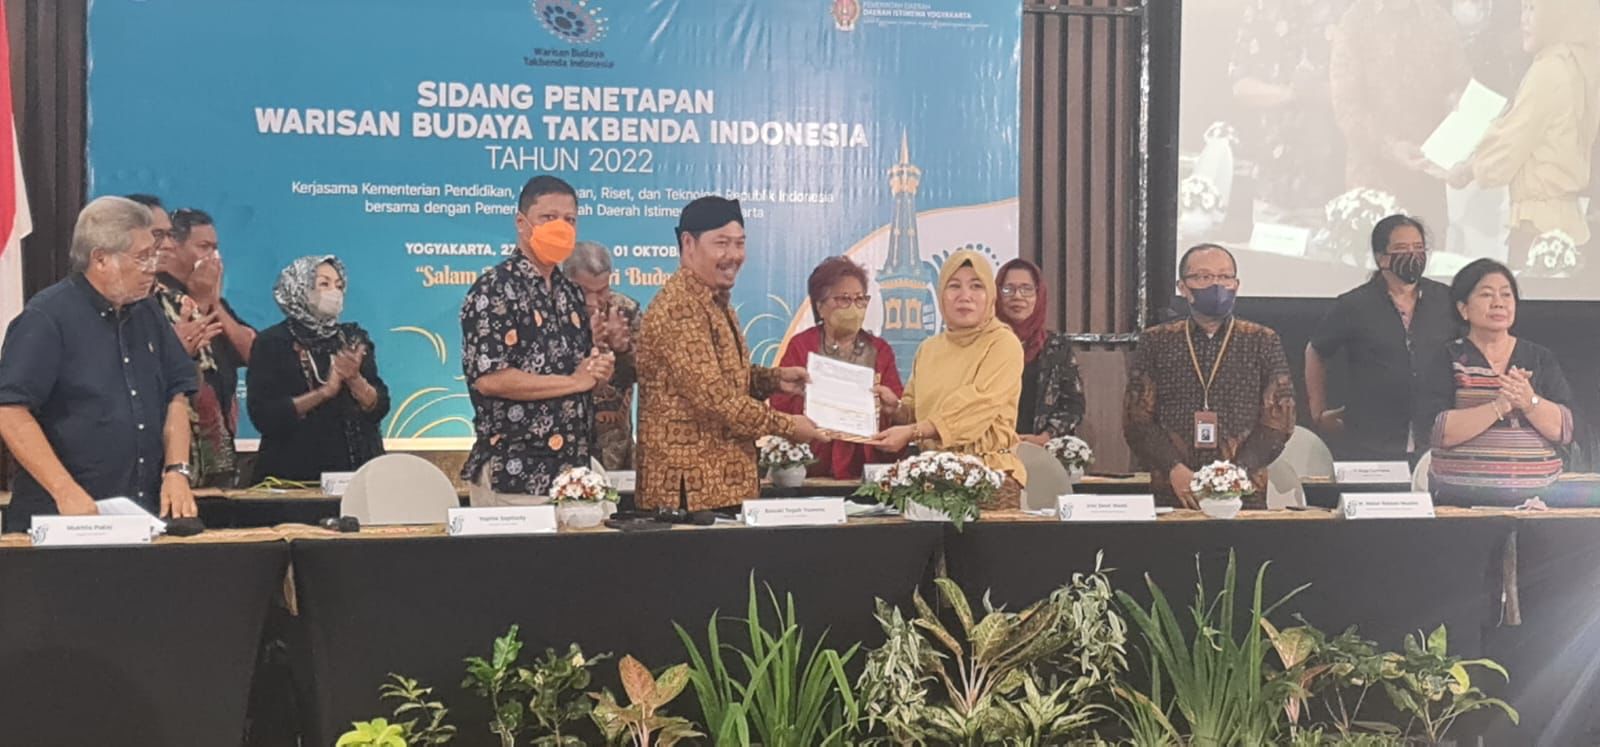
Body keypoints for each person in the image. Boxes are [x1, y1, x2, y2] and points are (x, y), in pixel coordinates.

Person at [0, 196, 198, 531]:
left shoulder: (148, 312)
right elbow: (10, 409)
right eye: (142, 257)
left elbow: (176, 393)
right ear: (101, 259)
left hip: (143, 514)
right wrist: (64, 489)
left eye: (153, 255)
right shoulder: (48, 317)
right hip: (64, 517)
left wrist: (176, 470)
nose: (152, 267)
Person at [635, 196, 823, 511]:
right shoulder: (679, 308)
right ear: (688, 243)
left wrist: (773, 380)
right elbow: (715, 397)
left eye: (740, 243)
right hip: (689, 493)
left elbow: (722, 376)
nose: (734, 255)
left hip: (722, 487)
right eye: (722, 243)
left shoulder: (714, 300)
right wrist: (789, 426)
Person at [460, 176, 613, 506]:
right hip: (515, 474)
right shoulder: (494, 289)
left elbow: (581, 378)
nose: (561, 227)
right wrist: (574, 382)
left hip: (573, 475)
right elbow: (490, 379)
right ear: (522, 223)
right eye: (548, 217)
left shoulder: (571, 293)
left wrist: (597, 373)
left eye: (569, 220)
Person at [1124, 244, 1296, 509]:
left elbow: (1279, 421)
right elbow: (1137, 420)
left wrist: (1235, 474)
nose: (1216, 285)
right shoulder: (1156, 341)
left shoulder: (1262, 340)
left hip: (1243, 489)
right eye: (1204, 277)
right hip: (1174, 487)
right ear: (1183, 287)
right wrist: (1173, 468)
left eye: (1225, 277)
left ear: (1236, 285)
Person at [866, 251, 1027, 508]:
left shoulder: (1003, 343)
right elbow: (917, 411)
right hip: (931, 478)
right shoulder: (929, 348)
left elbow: (976, 406)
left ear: (991, 295)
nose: (965, 296)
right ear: (941, 294)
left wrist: (913, 432)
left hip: (987, 478)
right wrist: (894, 408)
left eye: (976, 286)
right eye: (954, 286)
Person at [1449, 0, 1600, 265]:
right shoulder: (1578, 64)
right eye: (1523, 9)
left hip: (1538, 229)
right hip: (1566, 225)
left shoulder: (1549, 70)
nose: (1524, 19)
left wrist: (1468, 169)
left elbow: (1509, 147)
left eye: (1533, 9)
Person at [1415, 259, 1574, 505]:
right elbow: (1436, 431)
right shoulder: (1447, 357)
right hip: (1459, 503)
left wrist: (1529, 402)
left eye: (1506, 295)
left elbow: (1564, 430)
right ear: (1463, 309)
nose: (1498, 303)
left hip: (1538, 504)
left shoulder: (1538, 358)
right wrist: (1498, 406)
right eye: (1486, 294)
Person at [1306, 215, 1461, 462]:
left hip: (1435, 436)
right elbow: (1317, 350)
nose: (1413, 255)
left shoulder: (1446, 300)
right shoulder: (1354, 305)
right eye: (1402, 249)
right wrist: (1318, 411)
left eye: (1418, 248)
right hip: (1371, 437)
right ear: (1381, 258)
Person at [1330, 0, 1472, 228]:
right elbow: (1346, 107)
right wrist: (1391, 147)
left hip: (1428, 184)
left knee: (1428, 250)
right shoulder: (1355, 22)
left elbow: (1460, 86)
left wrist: (1456, 101)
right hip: (1372, 189)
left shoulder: (1439, 21)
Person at [246, 256, 389, 482]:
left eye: (339, 286)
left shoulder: (353, 339)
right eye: (324, 284)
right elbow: (265, 416)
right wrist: (324, 393)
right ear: (300, 289)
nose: (335, 292)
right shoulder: (273, 342)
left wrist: (355, 380)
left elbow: (379, 406)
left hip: (357, 475)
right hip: (294, 476)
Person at [770, 256, 904, 480]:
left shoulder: (880, 350)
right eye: (843, 299)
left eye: (860, 299)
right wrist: (812, 399)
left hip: (867, 468)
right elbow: (780, 403)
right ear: (820, 306)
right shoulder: (802, 345)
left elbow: (899, 410)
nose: (853, 307)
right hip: (811, 463)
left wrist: (892, 407)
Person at [152, 206, 254, 487]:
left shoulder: (214, 301)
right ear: (175, 247)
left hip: (219, 449)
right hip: (175, 451)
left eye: (215, 248)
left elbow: (253, 352)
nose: (213, 257)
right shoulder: (155, 299)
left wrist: (213, 301)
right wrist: (199, 301)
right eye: (204, 247)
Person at [562, 240, 641, 471]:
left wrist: (623, 350)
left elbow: (647, 374)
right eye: (585, 291)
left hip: (616, 447)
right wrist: (585, 344)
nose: (593, 301)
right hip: (564, 446)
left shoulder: (626, 310)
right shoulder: (553, 313)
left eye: (602, 290)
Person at [995, 258, 1085, 445]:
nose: (1017, 296)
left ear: (1039, 295)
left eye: (1026, 289)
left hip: (1040, 449)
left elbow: (1073, 405)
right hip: (990, 448)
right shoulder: (985, 345)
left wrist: (1045, 438)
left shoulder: (1056, 347)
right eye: (1008, 289)